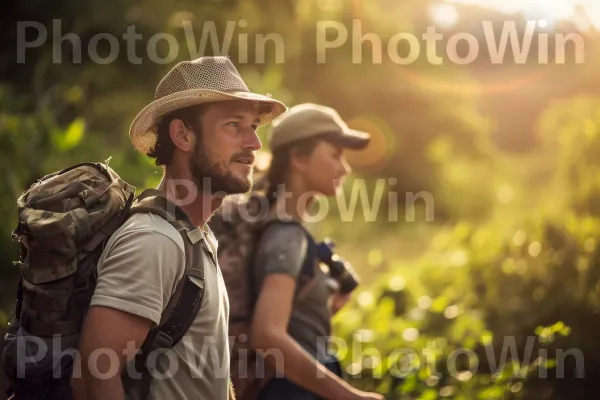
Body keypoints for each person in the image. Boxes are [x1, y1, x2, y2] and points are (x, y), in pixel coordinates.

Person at [71, 56, 287, 400]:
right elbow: (94, 377)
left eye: (254, 127)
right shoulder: (154, 240)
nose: (254, 144)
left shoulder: (197, 236)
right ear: (182, 135)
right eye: (234, 125)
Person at [250, 103, 384, 400]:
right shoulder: (285, 235)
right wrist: (350, 396)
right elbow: (267, 335)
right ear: (298, 157)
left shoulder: (285, 229)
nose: (344, 168)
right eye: (335, 155)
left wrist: (321, 304)